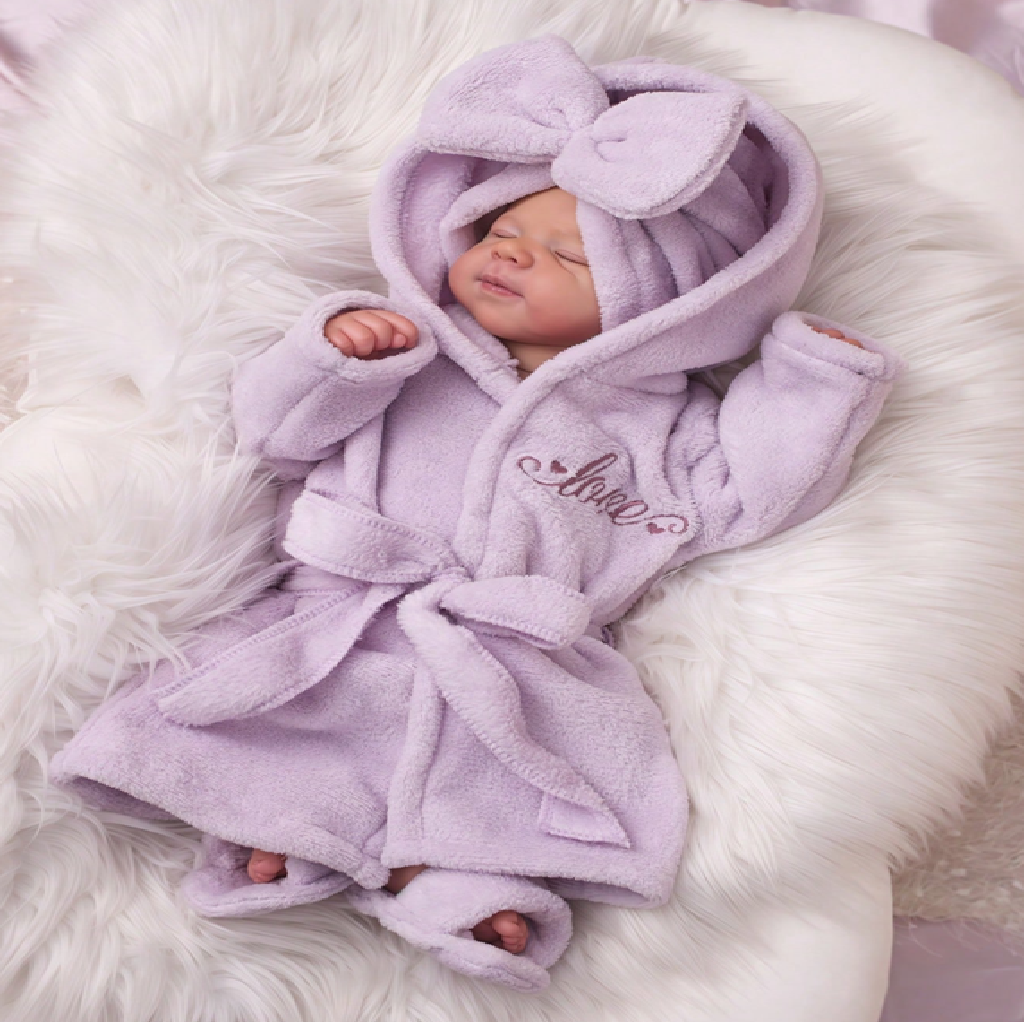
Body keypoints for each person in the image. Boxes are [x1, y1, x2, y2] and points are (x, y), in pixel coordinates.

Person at [50, 36, 902, 991]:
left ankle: (457, 885)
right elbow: (273, 434)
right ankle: (289, 837)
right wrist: (337, 358)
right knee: (300, 734)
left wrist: (813, 383)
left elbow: (748, 494)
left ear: (663, 309)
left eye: (566, 256)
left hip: (518, 651)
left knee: (500, 769)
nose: (511, 255)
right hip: (343, 617)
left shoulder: (664, 422)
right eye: (501, 229)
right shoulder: (409, 346)